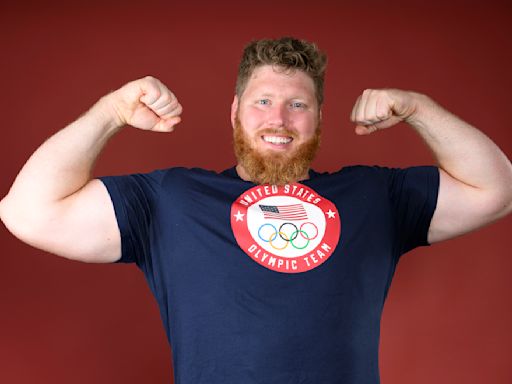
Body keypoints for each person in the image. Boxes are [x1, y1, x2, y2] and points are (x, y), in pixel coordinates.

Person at [1, 37, 511, 383]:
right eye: (263, 101)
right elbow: (27, 212)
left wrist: (418, 110)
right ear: (235, 111)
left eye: (298, 104)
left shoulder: (375, 197)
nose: (279, 119)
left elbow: (496, 189)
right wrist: (112, 111)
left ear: (318, 118)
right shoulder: (173, 199)